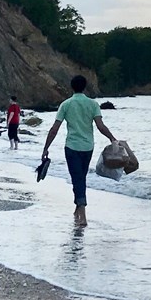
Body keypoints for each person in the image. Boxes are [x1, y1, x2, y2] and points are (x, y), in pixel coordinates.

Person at [41, 75, 117, 228]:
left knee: (78, 178)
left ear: (72, 87)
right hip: (88, 147)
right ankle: (78, 208)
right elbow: (100, 126)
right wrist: (112, 139)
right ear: (84, 87)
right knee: (80, 177)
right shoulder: (93, 104)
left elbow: (54, 129)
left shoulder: (66, 104)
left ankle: (82, 214)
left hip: (72, 147)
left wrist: (46, 147)